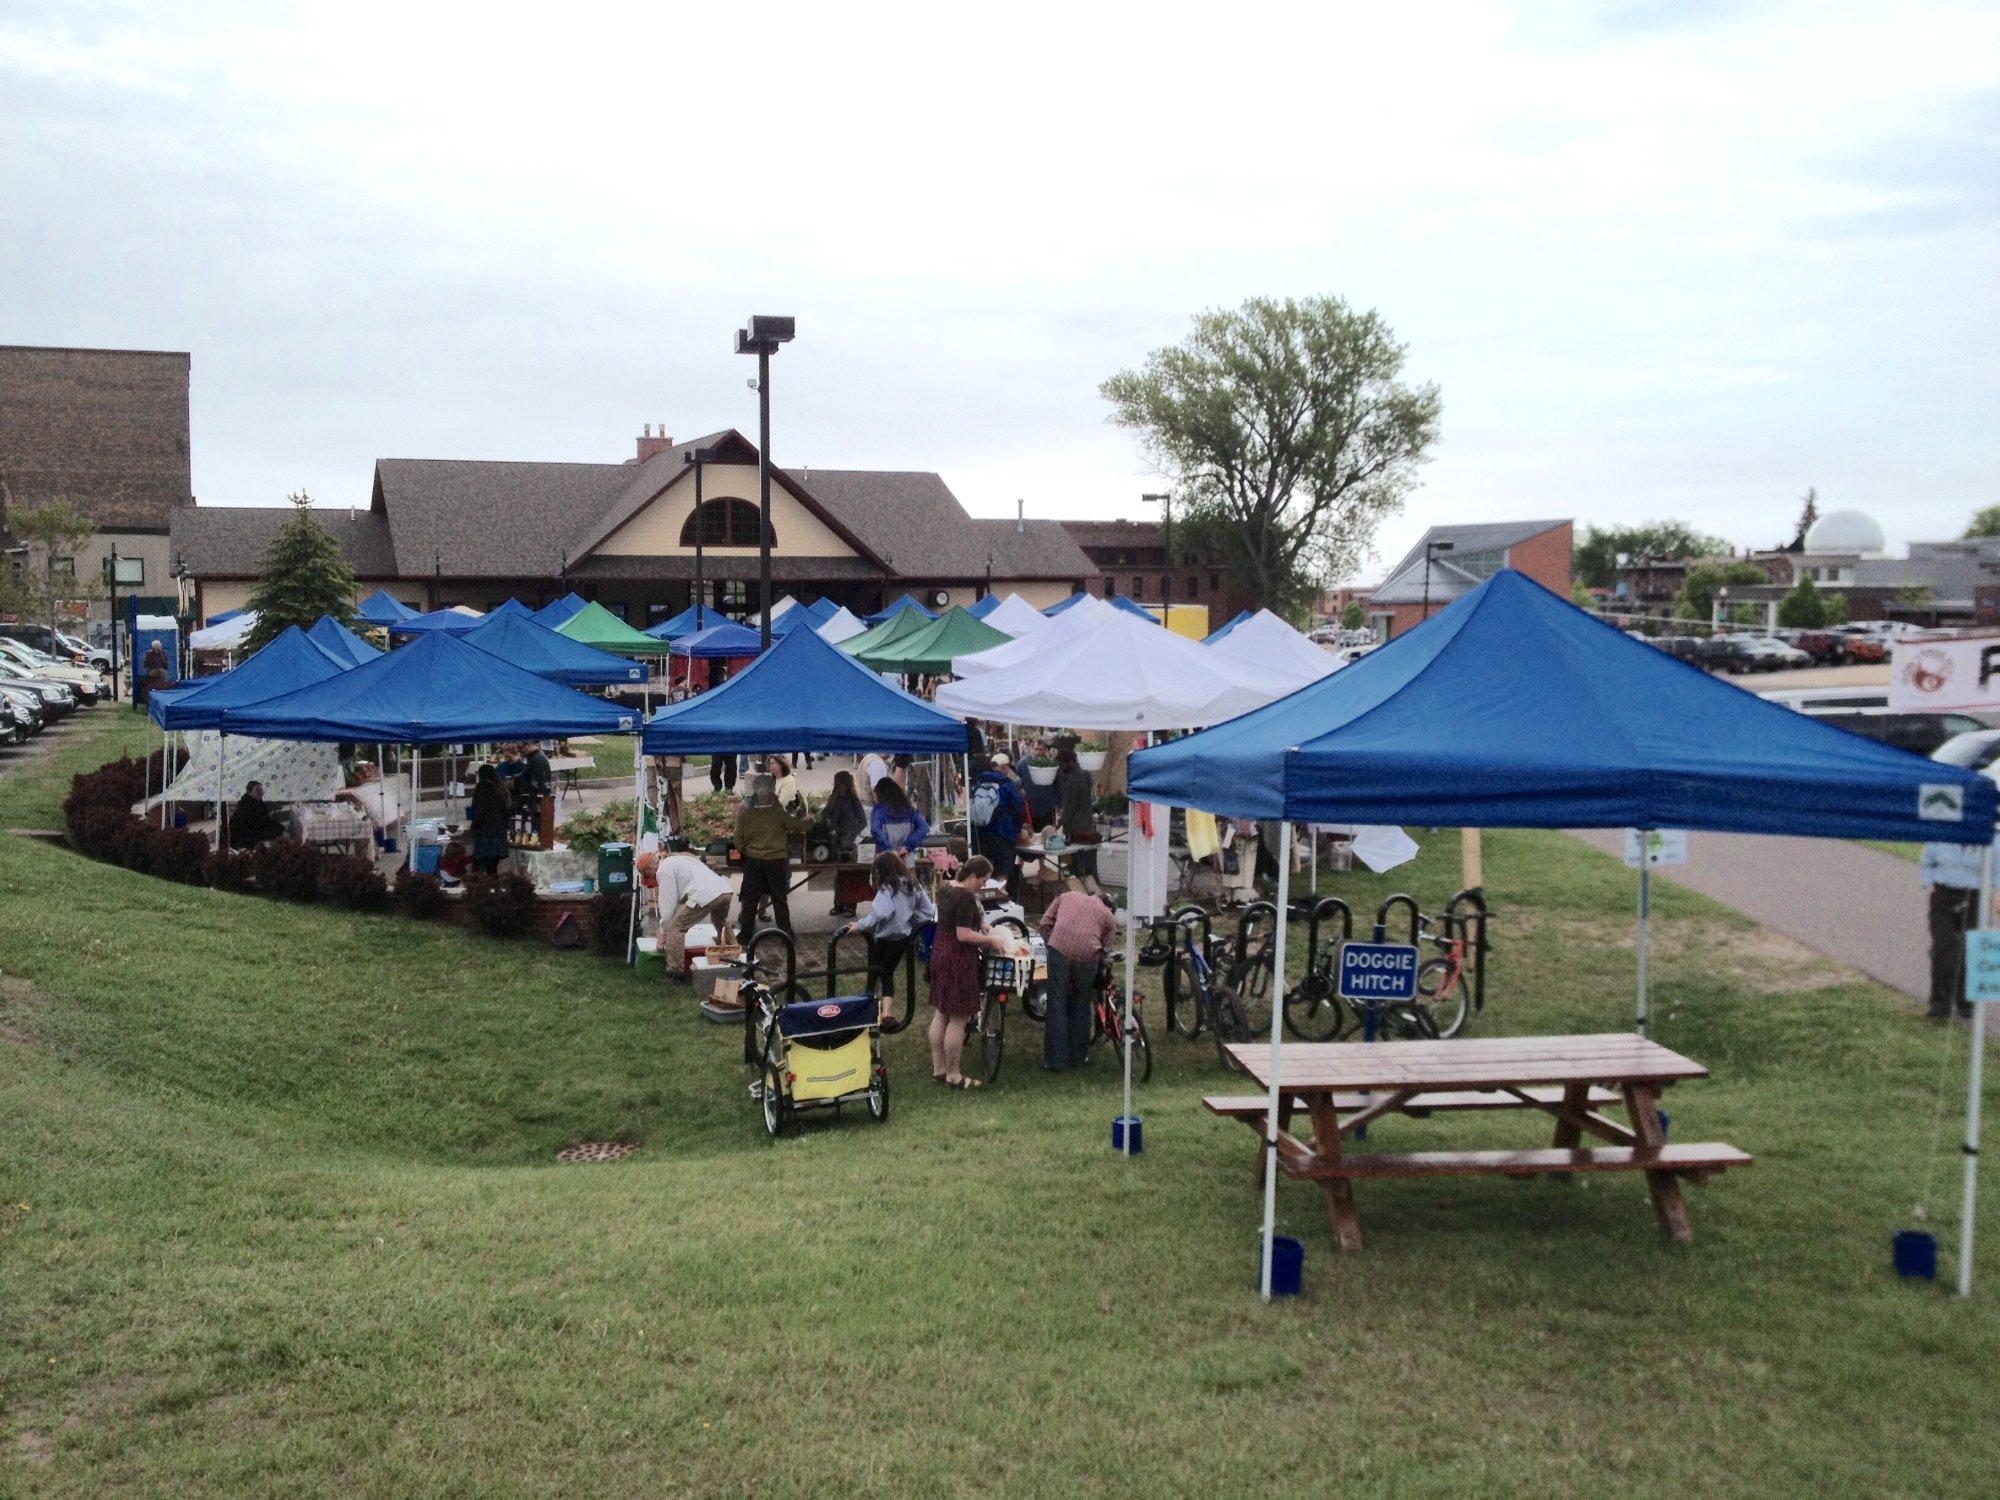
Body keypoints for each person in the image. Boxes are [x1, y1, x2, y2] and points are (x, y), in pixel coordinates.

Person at [928, 855, 1011, 1089]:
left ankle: (939, 1069)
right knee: (958, 1016)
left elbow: (953, 921)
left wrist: (979, 924)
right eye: (983, 881)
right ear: (973, 876)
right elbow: (963, 935)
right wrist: (989, 940)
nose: (983, 886)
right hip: (957, 958)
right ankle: (954, 1075)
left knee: (941, 1012)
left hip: (940, 951)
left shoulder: (946, 887)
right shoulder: (964, 896)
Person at [842, 851, 937, 1007]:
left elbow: (880, 912)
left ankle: (872, 1008)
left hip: (885, 937)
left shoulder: (887, 888)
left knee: (876, 973)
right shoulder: (914, 885)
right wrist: (911, 919)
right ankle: (884, 1011)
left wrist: (860, 925)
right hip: (904, 937)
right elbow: (927, 911)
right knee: (887, 972)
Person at [1039, 888, 1119, 1070]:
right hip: (1087, 957)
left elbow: (1044, 924)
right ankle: (1078, 1058)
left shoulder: (1066, 896)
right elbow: (1107, 951)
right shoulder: (1108, 916)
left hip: (1059, 950)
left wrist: (1052, 944)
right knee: (1081, 1004)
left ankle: (1054, 1062)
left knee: (1057, 1003)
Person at [734, 774, 812, 946]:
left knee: (750, 899)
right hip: (776, 861)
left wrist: (748, 851)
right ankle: (786, 934)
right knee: (779, 899)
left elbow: (737, 839)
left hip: (754, 861)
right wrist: (810, 820)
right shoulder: (777, 812)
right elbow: (797, 826)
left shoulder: (747, 813)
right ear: (770, 791)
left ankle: (746, 935)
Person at [1923, 838, 1983, 1020]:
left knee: (1967, 950)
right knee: (1943, 947)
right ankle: (1940, 1005)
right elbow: (1927, 861)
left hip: (1971, 897)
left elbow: (1996, 865)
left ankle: (1965, 1003)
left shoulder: (1983, 836)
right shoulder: (1942, 833)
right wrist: (1929, 884)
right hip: (1943, 895)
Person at [652, 850, 736, 975]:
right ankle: (736, 956)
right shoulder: (681, 859)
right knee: (720, 922)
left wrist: (663, 932)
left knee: (675, 928)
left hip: (705, 895)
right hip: (724, 890)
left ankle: (675, 972)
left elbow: (667, 906)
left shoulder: (663, 870)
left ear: (649, 867)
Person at [970, 753, 1027, 898]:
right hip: (1003, 834)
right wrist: (1018, 830)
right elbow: (1019, 809)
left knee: (983, 871)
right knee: (1002, 871)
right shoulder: (1008, 785)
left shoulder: (979, 784)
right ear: (1004, 766)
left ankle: (984, 903)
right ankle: (1001, 903)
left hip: (981, 834)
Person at [1053, 745, 1101, 890]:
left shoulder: (1071, 782)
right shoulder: (1085, 774)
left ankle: (1084, 895)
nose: (1060, 768)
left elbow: (1069, 810)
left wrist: (1056, 826)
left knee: (1078, 868)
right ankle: (1096, 895)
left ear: (1068, 762)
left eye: (1061, 764)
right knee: (1090, 867)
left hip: (1076, 830)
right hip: (1088, 826)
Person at [467, 763, 512, 875]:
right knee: (492, 869)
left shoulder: (482, 787)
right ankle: (493, 889)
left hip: (486, 835)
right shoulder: (500, 789)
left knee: (478, 870)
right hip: (498, 834)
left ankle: (483, 890)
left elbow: (479, 811)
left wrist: (474, 827)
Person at [871, 776, 930, 858]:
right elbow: (924, 827)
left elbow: (875, 830)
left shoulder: (879, 811)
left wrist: (889, 849)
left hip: (884, 858)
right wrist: (907, 847)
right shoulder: (910, 811)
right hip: (906, 858)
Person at [228, 779, 284, 849]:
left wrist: (279, 828)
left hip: (254, 834)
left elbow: (266, 820)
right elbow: (253, 826)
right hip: (244, 838)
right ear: (249, 792)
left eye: (261, 790)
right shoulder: (246, 807)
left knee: (279, 832)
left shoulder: (259, 804)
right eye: (257, 790)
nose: (260, 792)